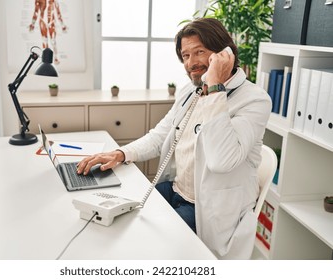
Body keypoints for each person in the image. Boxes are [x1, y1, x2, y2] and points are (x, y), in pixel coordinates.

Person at [77, 18, 271, 259]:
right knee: (118, 223)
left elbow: (221, 160)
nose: (191, 63)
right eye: (185, 55)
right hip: (176, 190)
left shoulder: (254, 99)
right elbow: (160, 135)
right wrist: (121, 154)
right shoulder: (190, 91)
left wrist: (215, 89)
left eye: (199, 52)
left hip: (206, 210)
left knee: (146, 249)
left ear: (224, 53)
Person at [29, 0, 67, 64]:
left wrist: (62, 25)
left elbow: (58, 12)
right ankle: (46, 60)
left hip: (51, 21)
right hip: (42, 21)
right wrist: (33, 24)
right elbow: (36, 11)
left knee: (53, 41)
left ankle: (55, 57)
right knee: (44, 40)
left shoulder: (54, 1)